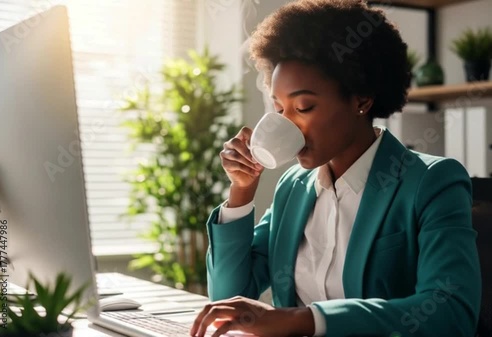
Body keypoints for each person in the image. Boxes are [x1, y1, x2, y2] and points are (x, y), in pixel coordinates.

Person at [189, 0, 482, 336]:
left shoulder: (431, 182)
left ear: (361, 100)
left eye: (304, 106)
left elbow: (451, 311)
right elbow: (228, 297)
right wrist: (241, 191)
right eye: (279, 108)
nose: (289, 125)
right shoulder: (294, 187)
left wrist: (303, 320)